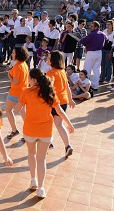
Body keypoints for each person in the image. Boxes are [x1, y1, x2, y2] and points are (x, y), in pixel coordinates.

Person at [14, 68, 74, 198]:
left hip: (30, 129)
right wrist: (69, 124)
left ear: (34, 80)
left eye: (29, 78)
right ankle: (41, 188)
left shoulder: (26, 92)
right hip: (46, 131)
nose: (28, 81)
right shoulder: (49, 92)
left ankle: (33, 180)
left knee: (31, 154)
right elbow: (59, 111)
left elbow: (17, 109)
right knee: (42, 159)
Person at [46, 51, 76, 157]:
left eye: (49, 58)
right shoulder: (63, 71)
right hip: (63, 102)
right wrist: (71, 99)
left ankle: (48, 143)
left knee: (47, 122)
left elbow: (48, 88)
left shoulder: (50, 73)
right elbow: (67, 87)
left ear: (53, 60)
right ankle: (68, 146)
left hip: (53, 102)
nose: (47, 59)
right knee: (59, 125)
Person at [5, 46, 29, 140]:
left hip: (15, 93)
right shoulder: (24, 64)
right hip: (23, 92)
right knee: (23, 113)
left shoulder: (17, 66)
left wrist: (9, 75)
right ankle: (27, 133)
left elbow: (14, 81)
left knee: (8, 110)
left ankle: (14, 130)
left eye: (14, 53)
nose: (12, 54)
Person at [79, 21, 107, 92]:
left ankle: (85, 84)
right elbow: (107, 41)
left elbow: (82, 40)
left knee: (87, 68)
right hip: (99, 52)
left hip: (91, 52)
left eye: (92, 26)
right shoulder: (102, 34)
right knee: (96, 69)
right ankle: (95, 85)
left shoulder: (92, 34)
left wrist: (86, 42)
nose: (90, 27)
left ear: (96, 27)